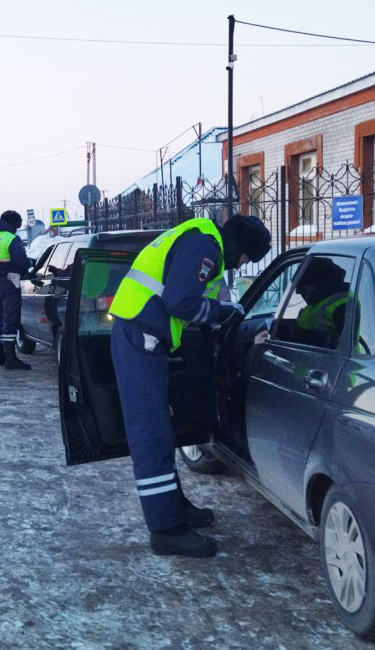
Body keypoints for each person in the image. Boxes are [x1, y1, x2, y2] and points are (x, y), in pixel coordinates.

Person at [108, 214, 271, 557]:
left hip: (143, 334)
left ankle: (174, 507)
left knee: (163, 431)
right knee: (151, 435)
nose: (238, 266)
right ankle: (166, 530)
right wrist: (221, 312)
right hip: (141, 336)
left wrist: (218, 310)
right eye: (244, 259)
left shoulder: (199, 237)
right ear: (239, 247)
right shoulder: (204, 245)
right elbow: (180, 302)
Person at [0, 210, 35, 370]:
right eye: (18, 223)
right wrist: (29, 264)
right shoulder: (12, 238)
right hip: (11, 280)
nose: (19, 227)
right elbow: (20, 261)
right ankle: (11, 359)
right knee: (10, 318)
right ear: (13, 223)